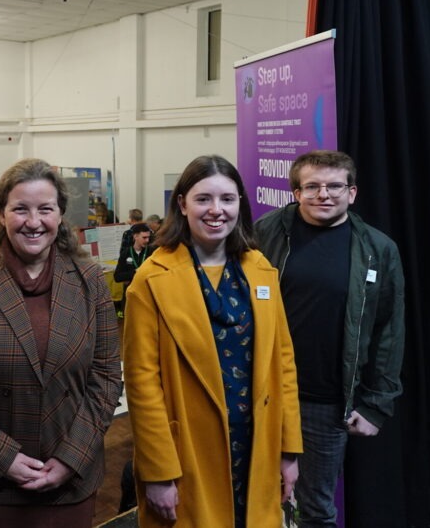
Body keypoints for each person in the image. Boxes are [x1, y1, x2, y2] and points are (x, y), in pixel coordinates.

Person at [0, 158, 122, 527]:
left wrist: (71, 457)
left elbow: (106, 377)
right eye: (20, 209)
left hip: (69, 480)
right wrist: (2, 456)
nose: (33, 222)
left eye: (45, 209)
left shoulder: (89, 279)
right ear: (1, 213)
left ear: (60, 214)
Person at [123, 155, 301, 527]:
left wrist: (288, 449)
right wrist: (157, 470)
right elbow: (142, 381)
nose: (216, 210)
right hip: (187, 452)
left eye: (227, 199)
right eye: (203, 199)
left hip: (257, 447)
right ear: (182, 204)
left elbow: (283, 364)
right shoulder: (151, 278)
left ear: (240, 204)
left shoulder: (261, 270)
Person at [254, 150, 405, 528]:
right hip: (261, 392)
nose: (324, 194)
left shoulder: (378, 250)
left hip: (324, 401)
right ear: (296, 192)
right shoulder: (264, 233)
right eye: (313, 187)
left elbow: (389, 330)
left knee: (316, 509)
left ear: (351, 193)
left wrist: (376, 404)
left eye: (335, 186)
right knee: (251, 495)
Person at [113, 222, 152, 316]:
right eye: (144, 237)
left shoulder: (152, 252)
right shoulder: (126, 253)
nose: (147, 240)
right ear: (135, 237)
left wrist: (129, 276)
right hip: (131, 296)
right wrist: (135, 272)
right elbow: (117, 277)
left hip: (148, 295)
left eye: (148, 237)